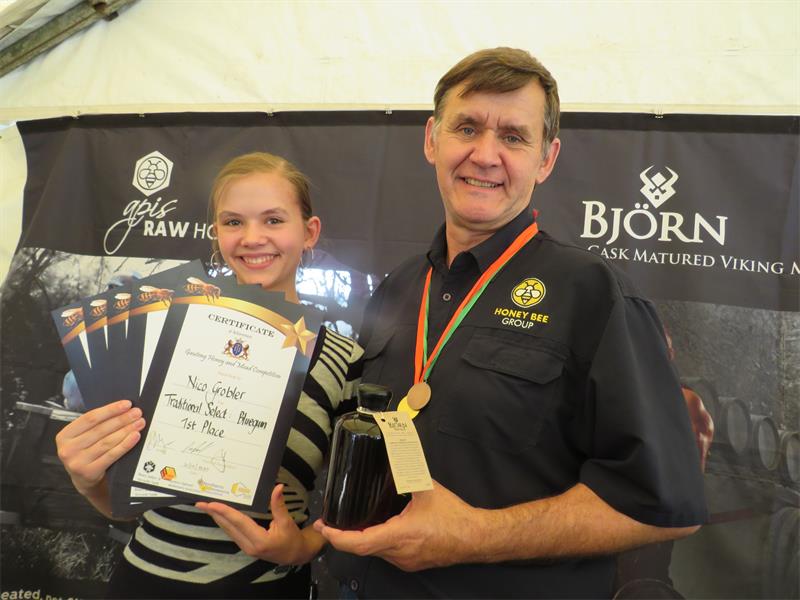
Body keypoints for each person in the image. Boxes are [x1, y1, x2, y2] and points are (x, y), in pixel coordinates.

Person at [315, 48, 708, 599]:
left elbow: (666, 505)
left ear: (546, 159)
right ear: (432, 139)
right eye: (467, 127)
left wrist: (475, 535)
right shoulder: (399, 287)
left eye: (514, 137)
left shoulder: (593, 293)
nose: (485, 154)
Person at [55, 152, 363, 599]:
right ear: (217, 235)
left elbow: (350, 512)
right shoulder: (162, 329)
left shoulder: (344, 357)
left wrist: (300, 548)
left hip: (266, 588)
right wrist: (88, 482)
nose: (253, 238)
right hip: (143, 581)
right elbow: (124, 506)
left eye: (274, 220)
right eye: (233, 222)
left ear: (308, 232)